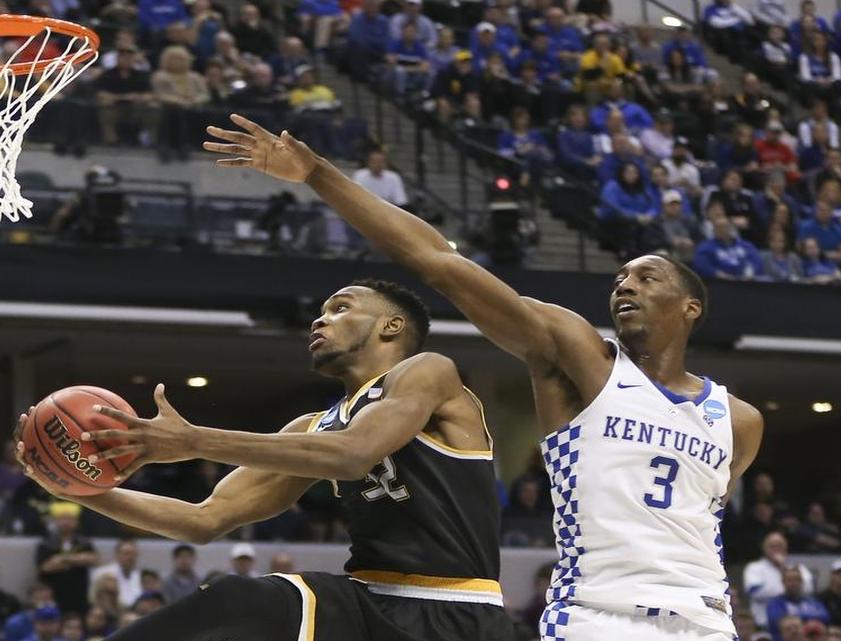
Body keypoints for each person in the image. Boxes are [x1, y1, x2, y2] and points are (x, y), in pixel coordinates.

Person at [204, 114, 764, 640]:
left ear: (691, 307)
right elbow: (439, 262)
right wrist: (318, 174)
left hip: (705, 619)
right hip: (597, 615)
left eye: (646, 277)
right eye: (620, 277)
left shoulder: (739, 420)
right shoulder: (582, 360)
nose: (625, 285)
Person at [15, 277, 512, 640]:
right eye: (322, 311)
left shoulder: (427, 372)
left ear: (392, 325)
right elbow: (204, 520)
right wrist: (74, 489)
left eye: (340, 308)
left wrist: (193, 441)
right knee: (236, 600)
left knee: (244, 602)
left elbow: (354, 454)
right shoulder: (310, 428)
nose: (320, 319)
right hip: (366, 603)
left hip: (455, 611)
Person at [35, 504, 99, 615]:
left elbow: (93, 559)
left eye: (70, 519)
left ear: (77, 522)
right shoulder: (46, 543)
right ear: (55, 521)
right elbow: (45, 567)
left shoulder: (84, 542)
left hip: (80, 593)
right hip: (54, 593)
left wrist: (64, 559)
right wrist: (77, 559)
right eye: (62, 519)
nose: (66, 522)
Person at [744, 532, 815, 629]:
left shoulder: (798, 568)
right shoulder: (755, 568)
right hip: (763, 624)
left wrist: (784, 568)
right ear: (765, 549)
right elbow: (755, 592)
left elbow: (809, 588)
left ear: (786, 548)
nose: (776, 549)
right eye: (772, 546)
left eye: (780, 546)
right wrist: (791, 588)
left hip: (796, 625)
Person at [767, 567, 830, 641]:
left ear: (801, 582)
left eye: (796, 580)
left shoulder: (812, 601)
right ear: (783, 582)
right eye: (789, 580)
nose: (794, 583)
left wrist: (799, 617)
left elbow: (825, 616)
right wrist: (809, 620)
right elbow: (778, 620)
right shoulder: (775, 603)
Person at [90, 540, 142, 610]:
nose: (130, 557)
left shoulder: (139, 576)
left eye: (133, 554)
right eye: (126, 553)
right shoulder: (102, 573)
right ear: (116, 555)